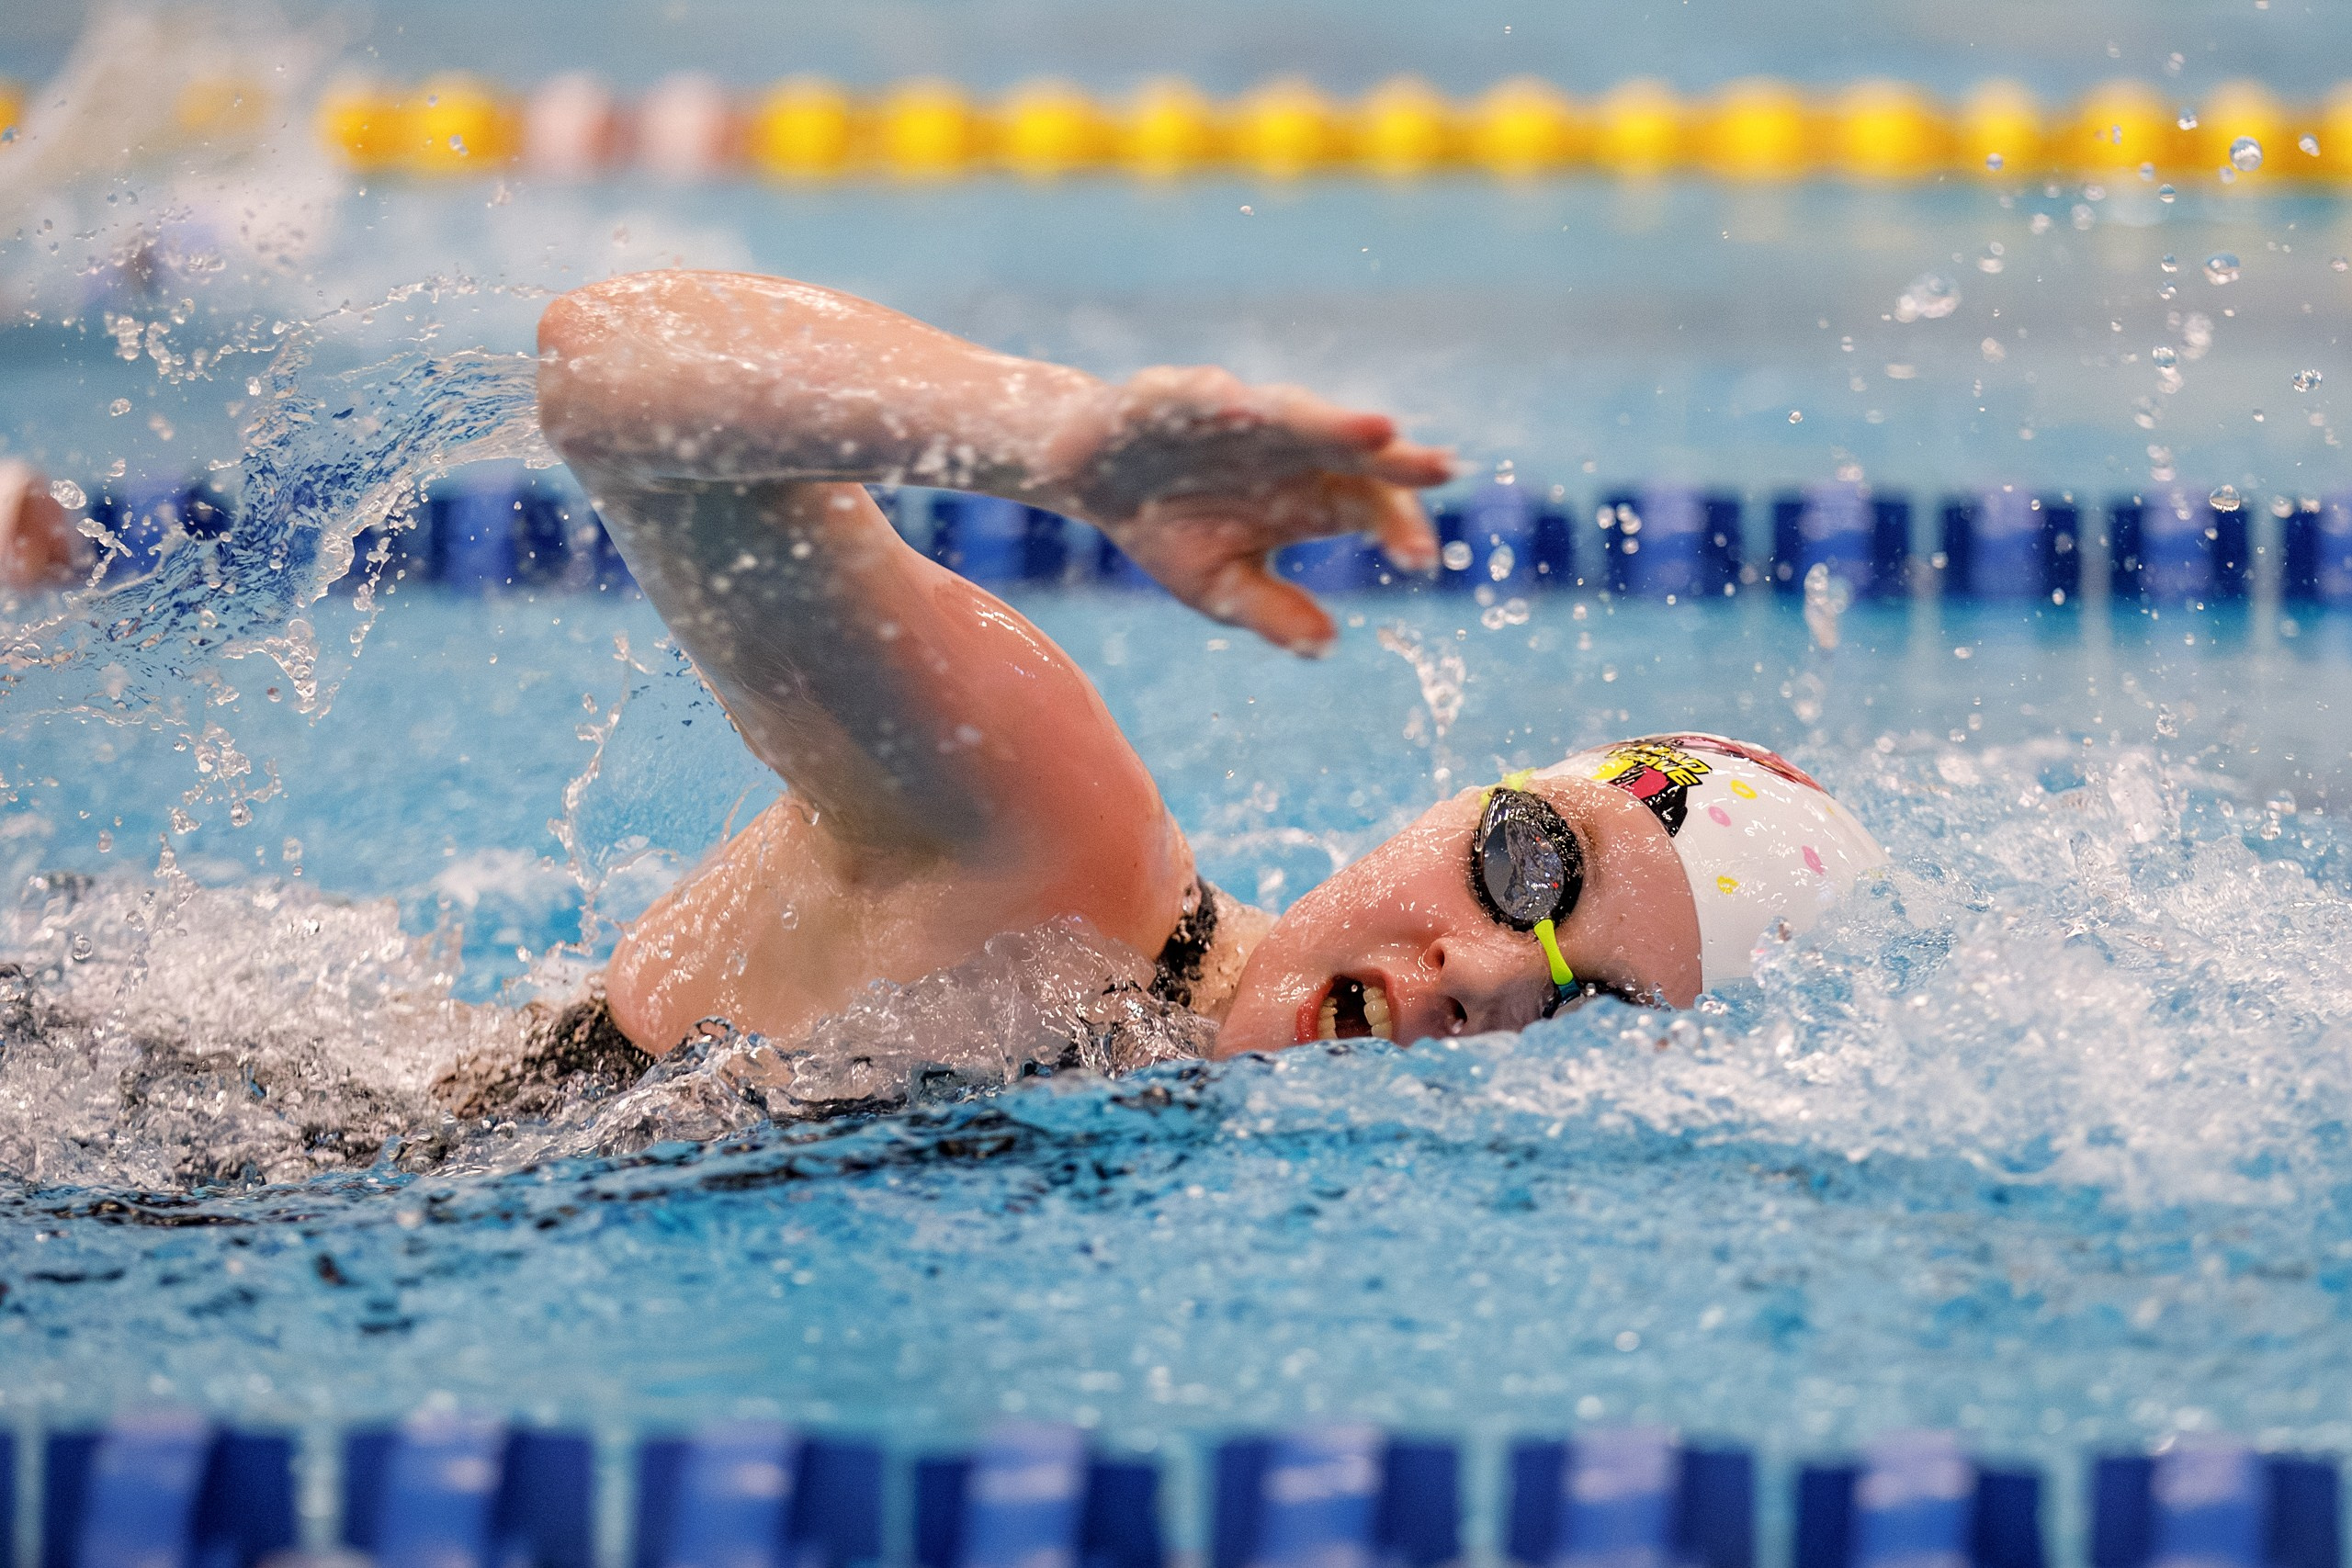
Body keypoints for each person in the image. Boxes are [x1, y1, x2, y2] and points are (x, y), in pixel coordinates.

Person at [523, 270, 1886, 1071]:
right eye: (1535, 869)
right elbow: (608, 362)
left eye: (1585, 1013)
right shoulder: (1050, 860)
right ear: (1462, 801)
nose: (1477, 973)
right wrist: (1055, 440)